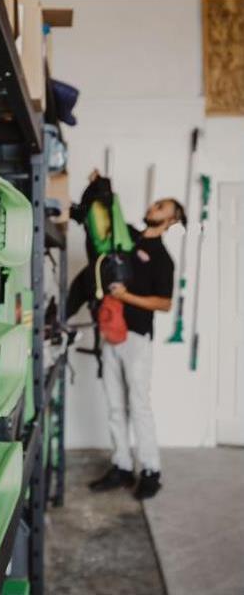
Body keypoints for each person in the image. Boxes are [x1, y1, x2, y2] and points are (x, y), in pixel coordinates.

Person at [88, 195, 186, 500]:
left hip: (137, 339)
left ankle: (151, 471)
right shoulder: (127, 237)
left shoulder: (162, 258)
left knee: (139, 406)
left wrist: (126, 296)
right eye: (154, 204)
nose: (152, 207)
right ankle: (121, 465)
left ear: (170, 221)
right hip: (110, 334)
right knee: (115, 405)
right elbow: (104, 225)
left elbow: (165, 303)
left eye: (161, 208)